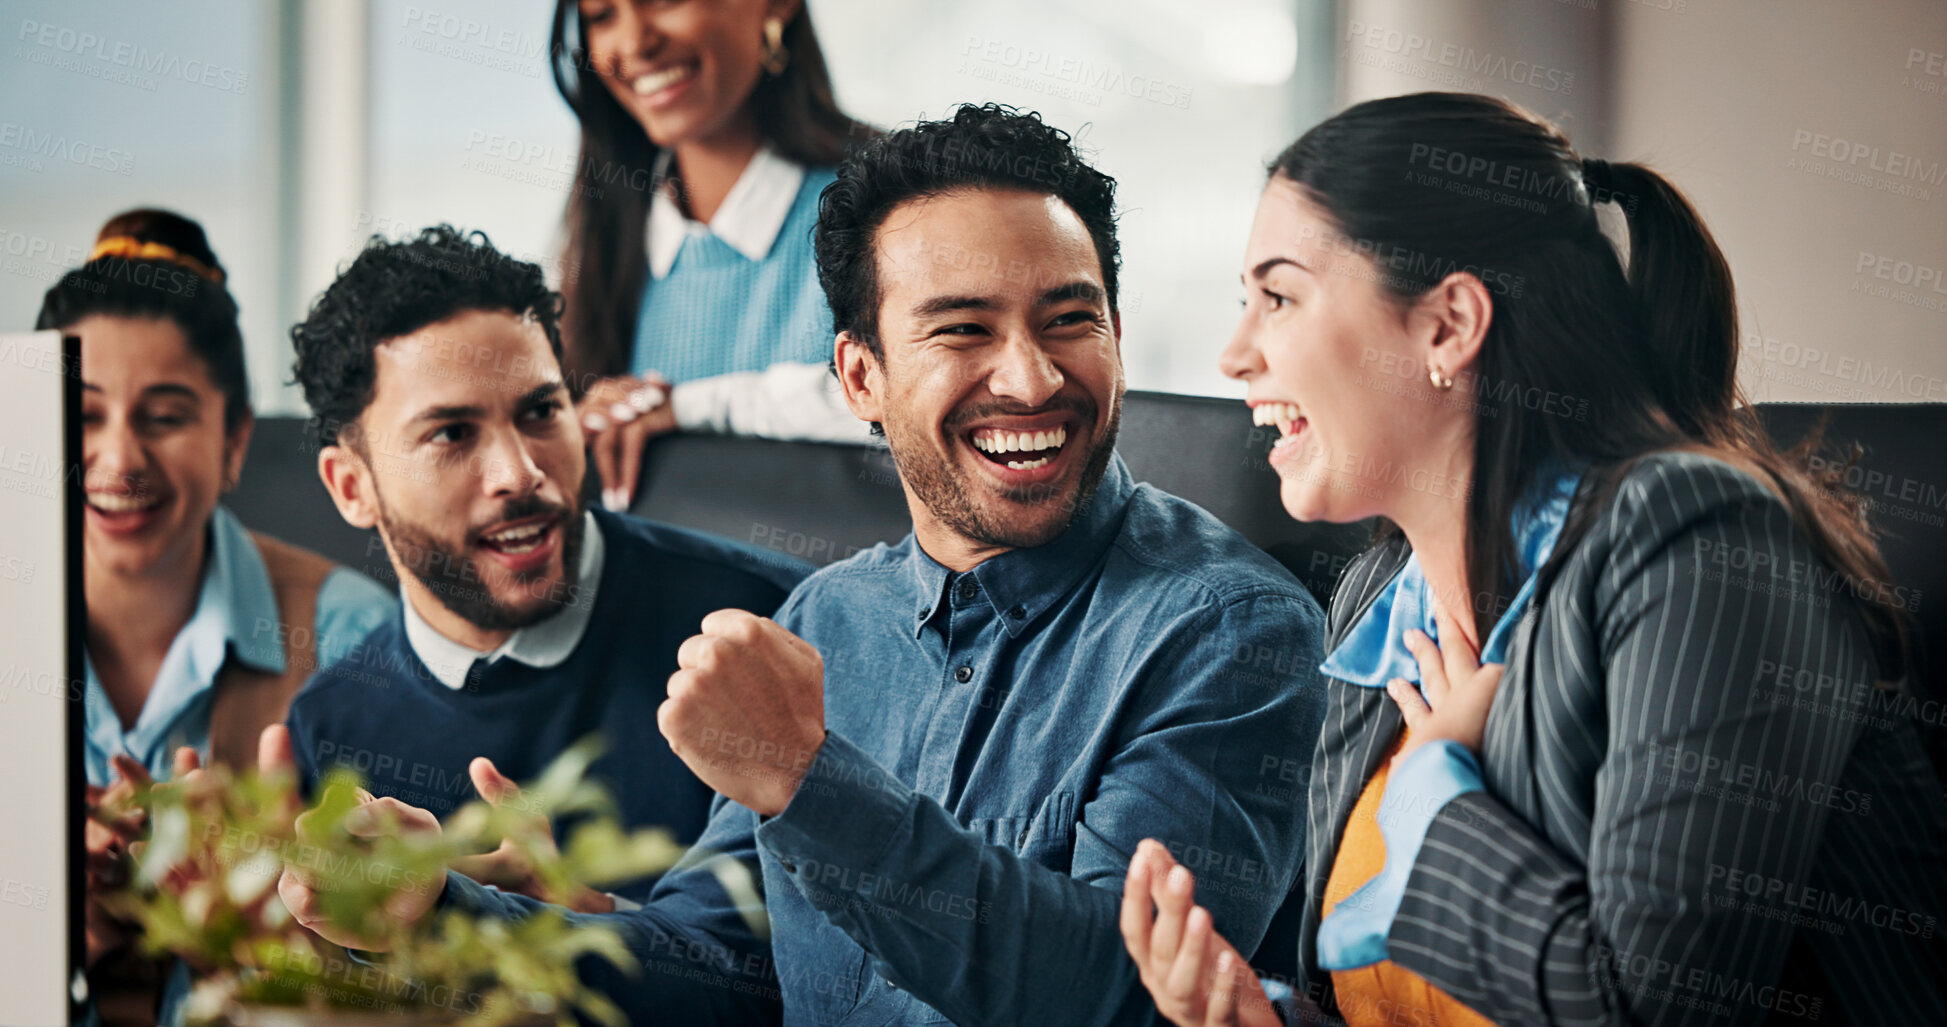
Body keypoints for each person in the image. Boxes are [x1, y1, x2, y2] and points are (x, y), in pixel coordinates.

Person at [273, 104, 1330, 1026]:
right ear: (859, 375)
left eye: (1071, 319)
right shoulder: (825, 617)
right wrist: (437, 908)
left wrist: (809, 784)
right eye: (963, 330)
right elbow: (721, 971)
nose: (1032, 375)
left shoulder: (1234, 628)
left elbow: (1126, 995)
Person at [1121, 91, 1947, 1026]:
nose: (1233, 354)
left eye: (1277, 296)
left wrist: (1430, 789)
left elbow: (1643, 1013)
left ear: (1447, 326)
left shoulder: (1699, 538)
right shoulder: (1374, 606)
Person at [283, 225, 810, 908]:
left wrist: (562, 917)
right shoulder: (329, 725)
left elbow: (814, 980)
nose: (520, 473)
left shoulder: (767, 622)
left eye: (540, 411)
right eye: (451, 433)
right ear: (351, 487)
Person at [42, 209, 393, 1021]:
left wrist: (250, 922)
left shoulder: (351, 638)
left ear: (234, 439)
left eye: (164, 416)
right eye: (84, 416)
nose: (119, 458)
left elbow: (406, 972)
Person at [550, 0, 879, 511]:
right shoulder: (602, 246)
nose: (635, 43)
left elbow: (924, 397)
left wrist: (687, 409)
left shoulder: (892, 206)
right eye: (601, 15)